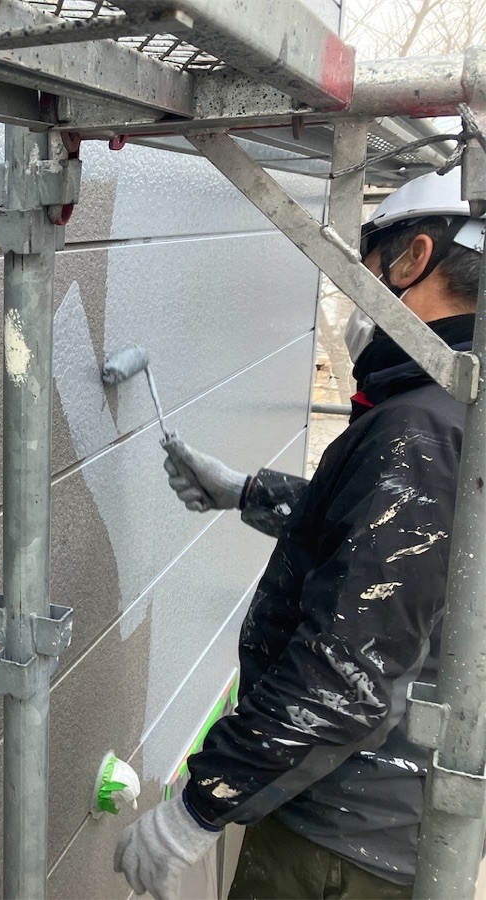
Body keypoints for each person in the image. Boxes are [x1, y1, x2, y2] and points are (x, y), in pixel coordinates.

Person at [113, 168, 486, 900]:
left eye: (367, 267)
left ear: (414, 259)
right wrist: (248, 493)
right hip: (381, 824)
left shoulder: (419, 429)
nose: (357, 298)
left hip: (339, 845)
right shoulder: (453, 413)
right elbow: (394, 554)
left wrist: (197, 809)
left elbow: (345, 676)